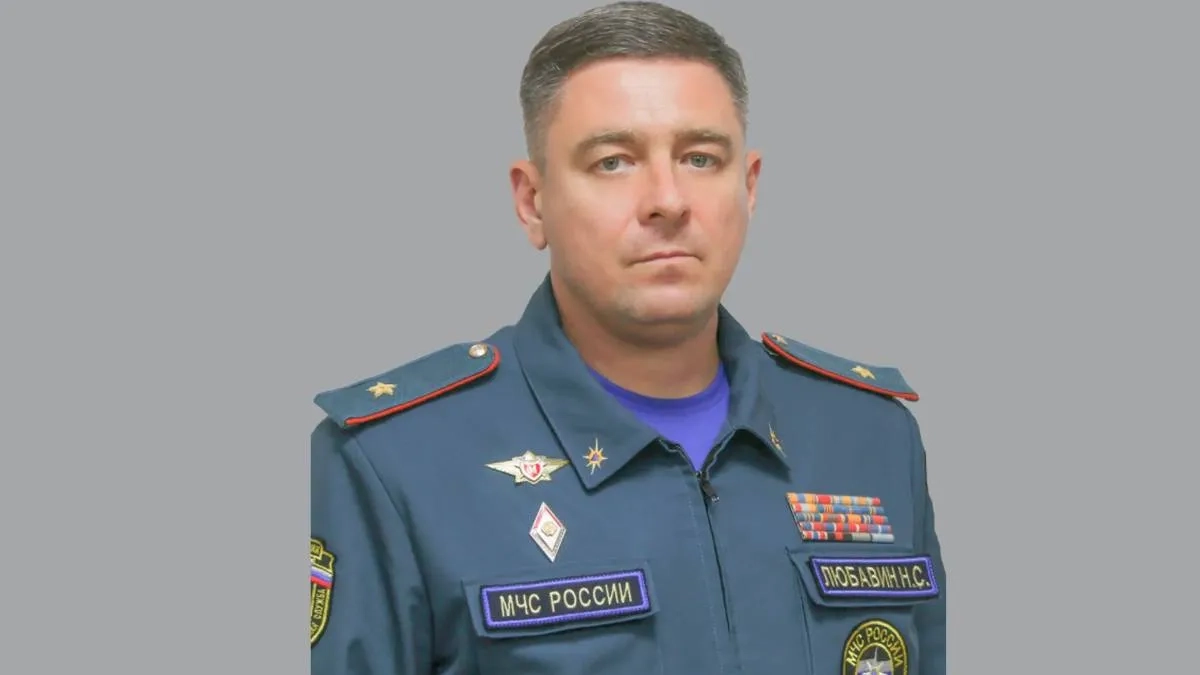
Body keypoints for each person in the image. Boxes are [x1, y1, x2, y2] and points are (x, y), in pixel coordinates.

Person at [309, 2, 947, 673]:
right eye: (613, 162)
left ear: (748, 187)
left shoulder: (870, 437)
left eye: (700, 158)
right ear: (532, 202)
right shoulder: (393, 464)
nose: (668, 199)